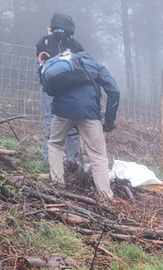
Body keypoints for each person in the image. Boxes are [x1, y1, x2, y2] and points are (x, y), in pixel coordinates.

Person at [47, 51, 120, 201]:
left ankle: (57, 186)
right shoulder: (96, 67)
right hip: (89, 112)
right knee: (98, 156)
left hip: (62, 110)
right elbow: (114, 91)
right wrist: (109, 120)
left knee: (55, 144)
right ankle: (105, 197)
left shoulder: (64, 65)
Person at [36, 13, 85, 169]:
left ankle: (73, 161)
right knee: (50, 123)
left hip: (70, 90)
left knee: (72, 124)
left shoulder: (76, 46)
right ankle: (49, 160)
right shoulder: (44, 42)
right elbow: (41, 62)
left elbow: (82, 64)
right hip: (51, 89)